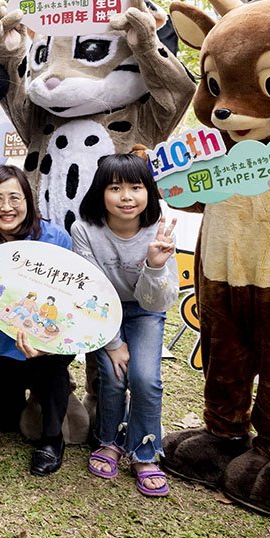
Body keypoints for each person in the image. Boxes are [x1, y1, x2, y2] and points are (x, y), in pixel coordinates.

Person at [72, 152, 178, 497]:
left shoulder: (158, 229)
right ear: (100, 192)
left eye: (136, 187)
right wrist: (113, 342)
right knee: (114, 378)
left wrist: (155, 263)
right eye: (116, 188)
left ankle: (145, 453)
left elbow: (157, 301)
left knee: (145, 378)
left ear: (149, 191)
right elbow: (89, 289)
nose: (127, 197)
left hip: (146, 310)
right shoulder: (84, 229)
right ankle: (108, 441)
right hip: (101, 311)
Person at [0, 165, 76, 475]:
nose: (6, 207)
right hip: (5, 344)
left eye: (14, 197)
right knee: (2, 421)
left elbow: (71, 301)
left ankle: (52, 438)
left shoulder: (55, 237)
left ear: (28, 200)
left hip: (50, 343)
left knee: (51, 372)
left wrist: (49, 343)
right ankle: (33, 398)